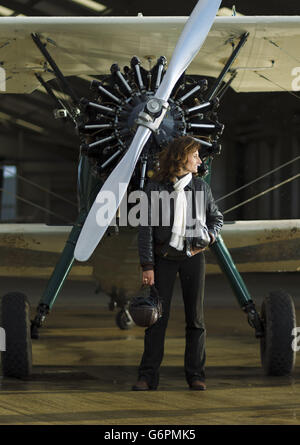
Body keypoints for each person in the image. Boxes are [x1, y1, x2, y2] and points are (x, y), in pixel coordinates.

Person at [132, 136, 223, 391]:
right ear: (181, 157)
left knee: (196, 319)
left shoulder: (201, 188)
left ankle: (196, 375)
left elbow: (217, 217)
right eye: (194, 155)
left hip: (193, 259)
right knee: (155, 318)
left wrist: (212, 236)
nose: (199, 160)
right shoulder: (155, 187)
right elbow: (145, 229)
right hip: (164, 260)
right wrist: (147, 265)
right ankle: (147, 376)